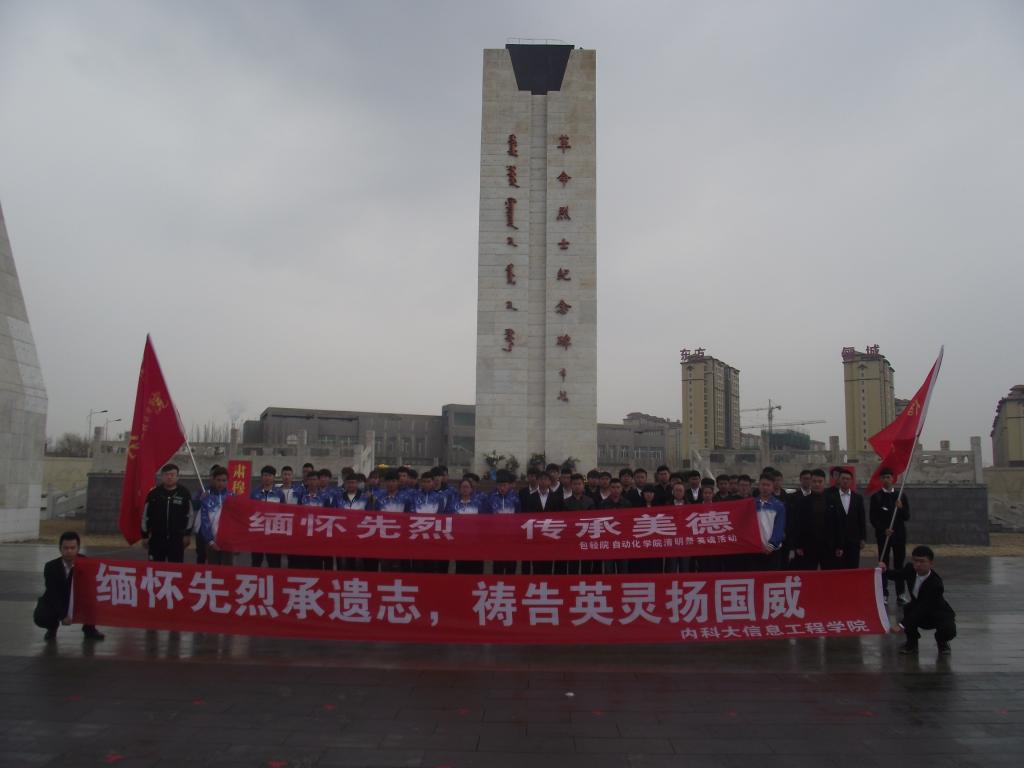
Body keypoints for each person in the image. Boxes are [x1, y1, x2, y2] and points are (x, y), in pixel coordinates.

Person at [882, 545, 956, 655]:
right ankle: (912, 644)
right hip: (918, 608)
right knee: (908, 609)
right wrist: (884, 570)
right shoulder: (910, 569)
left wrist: (901, 625)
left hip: (937, 613)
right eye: (915, 561)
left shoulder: (936, 584)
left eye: (922, 561)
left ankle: (942, 641)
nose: (918, 564)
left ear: (931, 563)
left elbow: (923, 607)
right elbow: (898, 575)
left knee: (949, 630)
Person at [35, 532, 104, 641]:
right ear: (60, 548)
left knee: (95, 599)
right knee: (41, 616)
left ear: (78, 548)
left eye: (72, 548)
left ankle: (90, 629)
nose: (69, 551)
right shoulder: (51, 567)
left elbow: (91, 588)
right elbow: (53, 593)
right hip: (58, 599)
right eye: (66, 548)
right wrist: (63, 615)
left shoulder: (87, 564)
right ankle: (52, 628)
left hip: (79, 600)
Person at [870, 468, 911, 603]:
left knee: (899, 564)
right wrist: (883, 530)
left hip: (899, 535)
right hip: (884, 536)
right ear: (880, 480)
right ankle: (884, 593)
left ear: (893, 479)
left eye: (888, 477)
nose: (886, 480)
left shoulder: (900, 496)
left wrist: (901, 508)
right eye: (883, 477)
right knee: (883, 564)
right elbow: (873, 518)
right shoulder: (876, 497)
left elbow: (907, 517)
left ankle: (901, 593)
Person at [141, 463, 194, 563]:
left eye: (172, 474)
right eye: (166, 474)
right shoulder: (154, 494)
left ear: (177, 477)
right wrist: (144, 535)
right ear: (161, 476)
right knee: (155, 567)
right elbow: (145, 516)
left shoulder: (184, 493)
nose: (169, 477)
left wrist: (187, 534)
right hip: (157, 538)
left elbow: (190, 515)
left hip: (177, 539)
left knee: (175, 568)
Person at [794, 469, 841, 570]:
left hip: (828, 545)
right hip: (808, 546)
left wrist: (839, 545)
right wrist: (798, 545)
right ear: (810, 482)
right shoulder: (803, 501)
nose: (817, 484)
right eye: (814, 481)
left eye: (820, 481)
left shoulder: (832, 500)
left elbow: (838, 524)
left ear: (825, 482)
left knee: (828, 574)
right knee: (809, 574)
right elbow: (798, 524)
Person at [524, 469, 565, 574]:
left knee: (549, 563)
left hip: (551, 534)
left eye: (546, 479)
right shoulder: (530, 497)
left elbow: (560, 516)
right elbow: (527, 516)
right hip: (536, 535)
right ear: (537, 481)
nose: (543, 481)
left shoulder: (557, 497)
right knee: (536, 563)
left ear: (550, 482)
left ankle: (548, 582)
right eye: (541, 479)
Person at [826, 468, 866, 568]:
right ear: (839, 480)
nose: (845, 481)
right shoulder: (831, 497)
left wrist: (862, 538)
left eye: (848, 479)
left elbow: (861, 519)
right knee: (837, 568)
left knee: (853, 567)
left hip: (854, 540)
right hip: (837, 541)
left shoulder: (858, 498)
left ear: (851, 481)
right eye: (843, 478)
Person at [195, 466, 234, 566]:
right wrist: (211, 541)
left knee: (227, 568)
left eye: (224, 480)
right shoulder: (206, 496)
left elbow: (236, 520)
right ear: (213, 480)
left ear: (227, 481)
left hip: (227, 541)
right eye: (218, 480)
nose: (221, 483)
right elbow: (205, 521)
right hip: (211, 541)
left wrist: (234, 540)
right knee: (213, 569)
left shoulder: (232, 497)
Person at [333, 472, 372, 571]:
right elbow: (333, 515)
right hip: (342, 535)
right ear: (345, 484)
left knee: (358, 564)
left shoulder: (365, 498)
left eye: (353, 482)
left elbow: (370, 516)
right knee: (343, 564)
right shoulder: (338, 498)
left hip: (360, 535)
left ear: (357, 484)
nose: (351, 485)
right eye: (348, 482)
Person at [748, 473, 786, 571]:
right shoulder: (751, 504)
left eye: (768, 485)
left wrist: (771, 545)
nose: (765, 487)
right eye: (763, 484)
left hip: (773, 550)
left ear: (773, 487)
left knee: (772, 578)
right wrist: (757, 544)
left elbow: (779, 527)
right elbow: (749, 527)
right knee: (756, 577)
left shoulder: (779, 505)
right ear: (759, 486)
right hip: (755, 549)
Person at [250, 465, 285, 568]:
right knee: (256, 562)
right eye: (265, 475)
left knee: (274, 562)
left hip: (273, 533)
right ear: (261, 477)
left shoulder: (279, 494)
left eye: (270, 475)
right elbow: (250, 511)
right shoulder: (254, 493)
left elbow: (283, 512)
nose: (267, 478)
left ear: (274, 477)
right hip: (258, 532)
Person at [487, 470, 521, 574]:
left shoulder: (515, 497)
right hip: (496, 536)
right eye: (500, 485)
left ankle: (510, 581)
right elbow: (487, 515)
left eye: (504, 485)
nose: (502, 488)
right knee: (498, 562)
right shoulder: (491, 496)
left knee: (511, 562)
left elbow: (519, 514)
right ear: (496, 485)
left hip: (512, 536)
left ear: (509, 485)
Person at [451, 478, 488, 574]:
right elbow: (449, 520)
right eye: (463, 487)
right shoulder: (454, 504)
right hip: (460, 541)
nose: (465, 489)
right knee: (461, 566)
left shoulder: (478, 503)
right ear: (459, 489)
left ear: (471, 489)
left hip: (476, 541)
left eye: (467, 487)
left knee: (476, 566)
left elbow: (484, 521)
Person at [561, 473, 594, 575]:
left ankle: (586, 583)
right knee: (572, 565)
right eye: (575, 484)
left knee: (586, 565)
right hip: (571, 538)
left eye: (579, 484)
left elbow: (593, 520)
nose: (577, 486)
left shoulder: (590, 502)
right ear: (571, 486)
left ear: (583, 485)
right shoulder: (565, 503)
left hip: (586, 537)